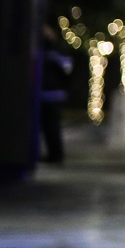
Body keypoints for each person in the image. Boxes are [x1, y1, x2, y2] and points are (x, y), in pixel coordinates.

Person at [37, 23, 73, 163]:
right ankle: (51, 154)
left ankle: (56, 155)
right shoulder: (44, 48)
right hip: (45, 94)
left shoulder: (58, 49)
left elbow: (67, 69)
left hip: (53, 94)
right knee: (46, 127)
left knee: (52, 127)